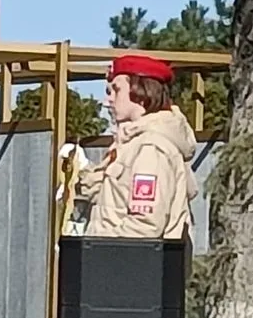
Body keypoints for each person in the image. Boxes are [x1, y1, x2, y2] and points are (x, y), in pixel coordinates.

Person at [66, 54, 198, 238]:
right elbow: (108, 198)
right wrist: (82, 169)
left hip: (129, 256)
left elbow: (145, 226)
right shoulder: (131, 143)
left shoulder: (151, 148)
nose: (108, 100)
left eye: (116, 90)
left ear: (141, 93)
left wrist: (100, 248)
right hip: (114, 254)